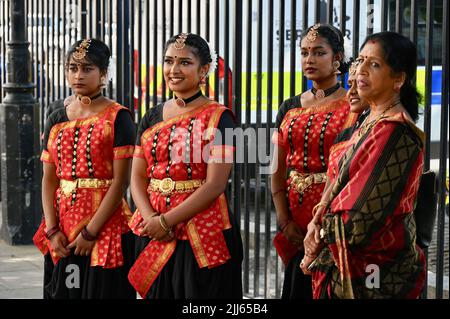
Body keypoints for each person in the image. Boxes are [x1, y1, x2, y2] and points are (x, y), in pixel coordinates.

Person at [301, 31, 426, 299]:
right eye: (360, 61)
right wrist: (314, 224)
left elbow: (357, 221)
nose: (361, 71)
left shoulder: (396, 132)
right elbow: (337, 184)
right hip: (347, 262)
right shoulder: (369, 121)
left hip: (376, 271)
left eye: (375, 64)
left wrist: (317, 237)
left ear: (399, 79)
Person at [127, 33, 243, 299]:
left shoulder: (221, 118)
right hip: (152, 228)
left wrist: (166, 221)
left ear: (203, 70)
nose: (174, 70)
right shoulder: (151, 117)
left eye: (184, 62)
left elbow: (215, 184)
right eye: (169, 61)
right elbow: (136, 177)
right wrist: (151, 219)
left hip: (202, 231)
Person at [33, 38, 136, 299]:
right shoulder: (56, 117)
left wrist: (90, 232)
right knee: (64, 290)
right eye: (72, 67)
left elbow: (120, 182)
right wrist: (52, 230)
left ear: (103, 74)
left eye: (87, 68)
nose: (78, 75)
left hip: (105, 226)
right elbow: (49, 179)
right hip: (62, 226)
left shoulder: (119, 117)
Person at [271, 23, 357, 299]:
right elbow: (276, 166)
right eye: (304, 52)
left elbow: (353, 169)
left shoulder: (353, 105)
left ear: (337, 58)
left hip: (333, 218)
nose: (309, 59)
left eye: (318, 52)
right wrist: (284, 220)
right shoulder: (290, 106)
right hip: (294, 219)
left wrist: (324, 222)